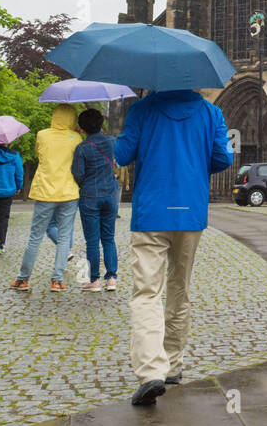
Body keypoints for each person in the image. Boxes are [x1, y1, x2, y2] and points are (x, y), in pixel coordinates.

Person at [116, 89, 231, 404]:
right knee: (179, 288)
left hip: (151, 211)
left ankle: (152, 370)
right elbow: (223, 157)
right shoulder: (211, 113)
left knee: (146, 292)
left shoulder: (142, 108)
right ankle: (174, 365)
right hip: (189, 210)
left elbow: (123, 154)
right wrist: (193, 163)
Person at [9, 104, 82, 294]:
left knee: (35, 237)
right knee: (65, 236)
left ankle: (22, 279)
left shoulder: (42, 134)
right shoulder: (76, 138)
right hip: (69, 191)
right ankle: (57, 280)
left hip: (45, 190)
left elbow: (40, 154)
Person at [72, 108, 121, 291]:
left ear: (82, 128)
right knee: (108, 237)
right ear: (101, 123)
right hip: (110, 194)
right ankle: (112, 278)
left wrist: (87, 184)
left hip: (90, 196)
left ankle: (94, 280)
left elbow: (78, 173)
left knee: (92, 240)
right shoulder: (111, 141)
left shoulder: (82, 148)